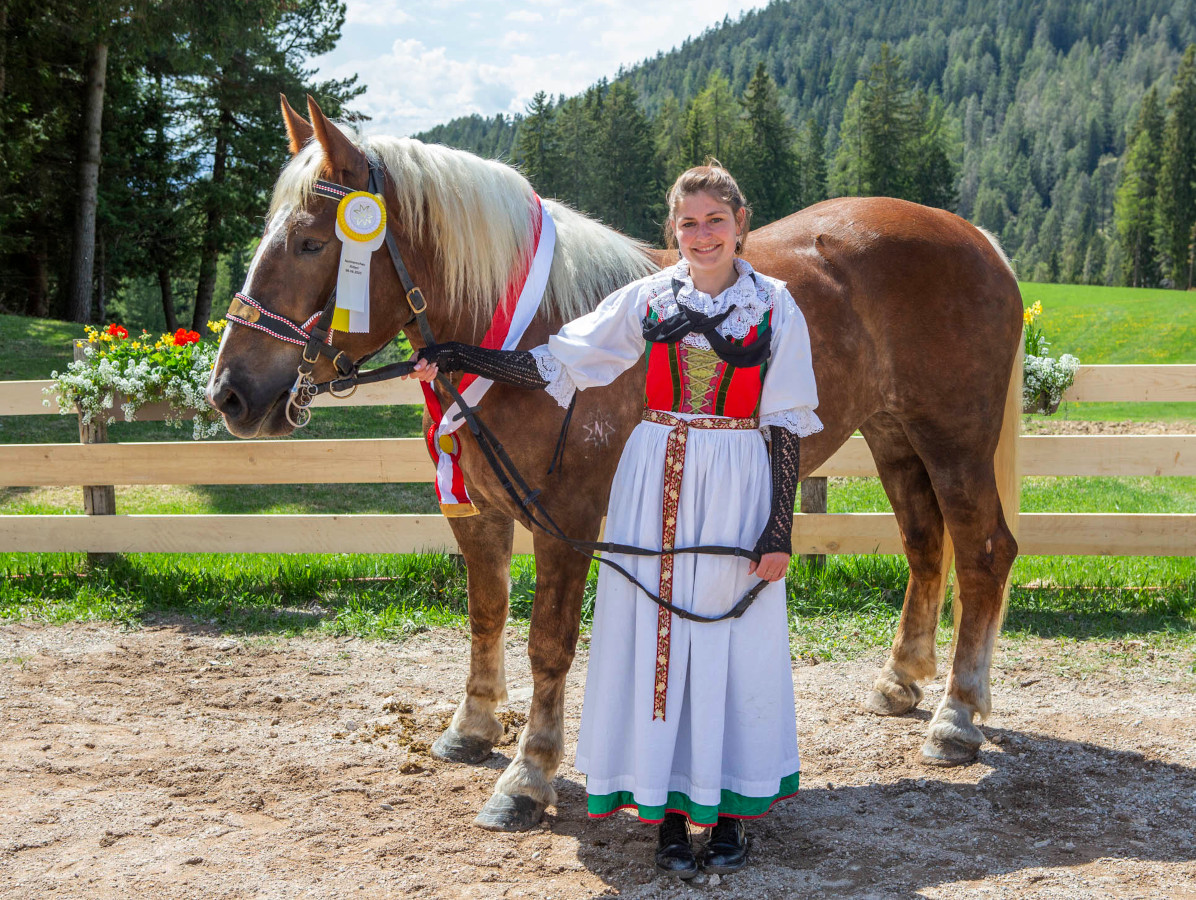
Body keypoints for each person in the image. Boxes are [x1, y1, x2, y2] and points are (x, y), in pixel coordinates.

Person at [408, 162, 821, 878]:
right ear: (674, 229)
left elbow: (786, 423)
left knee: (728, 640)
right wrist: (458, 357)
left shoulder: (775, 305)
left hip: (737, 477)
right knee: (657, 644)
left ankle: (728, 813)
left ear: (740, 224)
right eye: (688, 223)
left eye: (715, 221)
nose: (702, 235)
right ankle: (667, 813)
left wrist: (777, 529)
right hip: (653, 474)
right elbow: (556, 363)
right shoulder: (648, 298)